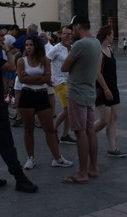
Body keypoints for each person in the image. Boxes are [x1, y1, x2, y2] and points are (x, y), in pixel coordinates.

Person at [0, 22, 38, 193]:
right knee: (5, 141)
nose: (4, 39)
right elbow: (12, 67)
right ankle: (19, 178)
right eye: (1, 36)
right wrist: (8, 51)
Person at [16, 36, 73, 170]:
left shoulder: (44, 60)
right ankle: (30, 158)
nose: (28, 47)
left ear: (37, 46)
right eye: (27, 45)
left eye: (31, 45)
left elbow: (47, 78)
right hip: (27, 95)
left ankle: (57, 158)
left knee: (49, 129)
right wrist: (39, 78)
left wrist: (31, 78)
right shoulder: (21, 61)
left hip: (42, 95)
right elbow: (22, 78)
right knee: (28, 128)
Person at [61, 15, 101, 184]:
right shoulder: (96, 42)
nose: (71, 32)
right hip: (90, 92)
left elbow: (64, 67)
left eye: (72, 28)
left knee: (80, 132)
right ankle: (93, 168)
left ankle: (82, 172)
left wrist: (71, 49)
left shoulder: (80, 44)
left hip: (77, 92)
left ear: (78, 26)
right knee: (90, 130)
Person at [94, 26, 126, 158]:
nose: (113, 36)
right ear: (107, 35)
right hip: (103, 89)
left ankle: (112, 148)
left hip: (113, 87)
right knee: (104, 120)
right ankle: (85, 134)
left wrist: (111, 88)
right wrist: (106, 89)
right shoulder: (99, 52)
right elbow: (97, 73)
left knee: (114, 117)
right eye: (112, 34)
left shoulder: (110, 50)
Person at [49, 26, 74, 144]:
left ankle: (65, 134)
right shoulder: (56, 49)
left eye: (69, 34)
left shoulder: (73, 48)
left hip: (70, 81)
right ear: (60, 35)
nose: (66, 36)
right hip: (59, 81)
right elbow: (45, 61)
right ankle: (53, 129)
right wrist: (47, 76)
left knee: (68, 109)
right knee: (69, 107)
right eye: (64, 34)